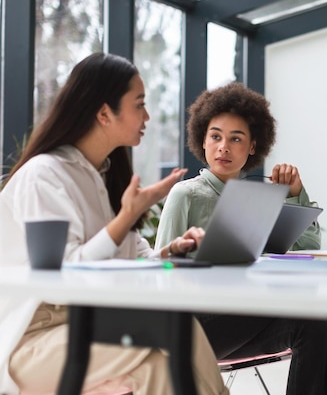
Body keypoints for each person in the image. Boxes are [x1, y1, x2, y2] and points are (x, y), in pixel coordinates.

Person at [0, 52, 228, 395]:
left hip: (81, 327)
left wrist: (170, 251)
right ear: (105, 113)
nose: (147, 116)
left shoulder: (101, 177)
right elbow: (57, 280)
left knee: (161, 364)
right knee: (171, 329)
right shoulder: (43, 175)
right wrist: (124, 219)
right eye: (139, 104)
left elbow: (133, 260)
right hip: (30, 342)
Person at [155, 82, 327, 395]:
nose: (223, 147)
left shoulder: (257, 198)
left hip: (243, 314)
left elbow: (307, 248)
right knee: (314, 314)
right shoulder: (185, 194)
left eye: (235, 139)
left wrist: (294, 195)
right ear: (203, 139)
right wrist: (188, 257)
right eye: (215, 136)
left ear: (252, 147)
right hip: (196, 325)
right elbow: (159, 274)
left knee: (317, 317)